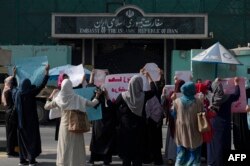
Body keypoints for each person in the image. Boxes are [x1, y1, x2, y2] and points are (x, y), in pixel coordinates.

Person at [44, 79, 101, 166]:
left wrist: (51, 96)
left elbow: (46, 107)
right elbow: (92, 104)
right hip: (76, 126)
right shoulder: (77, 98)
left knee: (64, 147)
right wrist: (97, 96)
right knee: (76, 147)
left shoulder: (58, 98)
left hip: (64, 127)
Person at [113, 71, 155, 166]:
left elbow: (114, 106)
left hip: (125, 128)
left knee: (126, 154)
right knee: (138, 154)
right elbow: (154, 90)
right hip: (140, 128)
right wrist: (149, 77)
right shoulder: (144, 96)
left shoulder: (123, 96)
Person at [14, 64, 50, 166]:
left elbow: (13, 86)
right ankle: (31, 161)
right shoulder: (30, 93)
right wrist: (46, 72)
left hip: (20, 123)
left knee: (22, 142)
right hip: (31, 122)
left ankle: (22, 161)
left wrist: (15, 75)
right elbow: (42, 85)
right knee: (31, 141)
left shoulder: (16, 93)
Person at [207, 77, 240, 166]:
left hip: (213, 123)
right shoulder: (226, 97)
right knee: (223, 143)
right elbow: (237, 95)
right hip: (224, 124)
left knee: (213, 143)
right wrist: (236, 83)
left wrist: (215, 81)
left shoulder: (210, 97)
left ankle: (211, 161)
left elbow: (210, 87)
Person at [88, 70, 117, 166]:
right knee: (96, 139)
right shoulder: (98, 90)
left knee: (107, 141)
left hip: (109, 119)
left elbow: (114, 105)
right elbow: (92, 99)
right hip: (98, 119)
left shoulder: (112, 90)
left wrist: (107, 96)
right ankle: (93, 158)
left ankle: (106, 160)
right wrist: (92, 76)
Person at [172, 82, 203, 165]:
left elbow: (173, 114)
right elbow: (203, 114)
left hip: (181, 130)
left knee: (181, 152)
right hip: (194, 129)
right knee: (194, 152)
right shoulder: (198, 102)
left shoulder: (177, 101)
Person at [162, 78, 185, 165]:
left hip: (178, 120)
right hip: (177, 121)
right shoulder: (173, 94)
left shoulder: (185, 95)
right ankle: (172, 157)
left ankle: (174, 158)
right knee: (174, 140)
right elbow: (167, 106)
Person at [1, 67, 18, 157]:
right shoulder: (8, 91)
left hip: (8, 113)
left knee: (10, 133)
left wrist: (14, 74)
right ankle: (10, 151)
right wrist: (14, 75)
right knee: (11, 133)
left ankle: (10, 150)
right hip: (11, 113)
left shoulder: (5, 89)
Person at [47, 73, 69, 141]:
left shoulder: (70, 90)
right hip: (60, 115)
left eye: (67, 79)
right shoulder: (56, 91)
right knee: (61, 137)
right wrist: (52, 95)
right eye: (64, 79)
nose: (65, 81)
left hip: (68, 115)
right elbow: (49, 104)